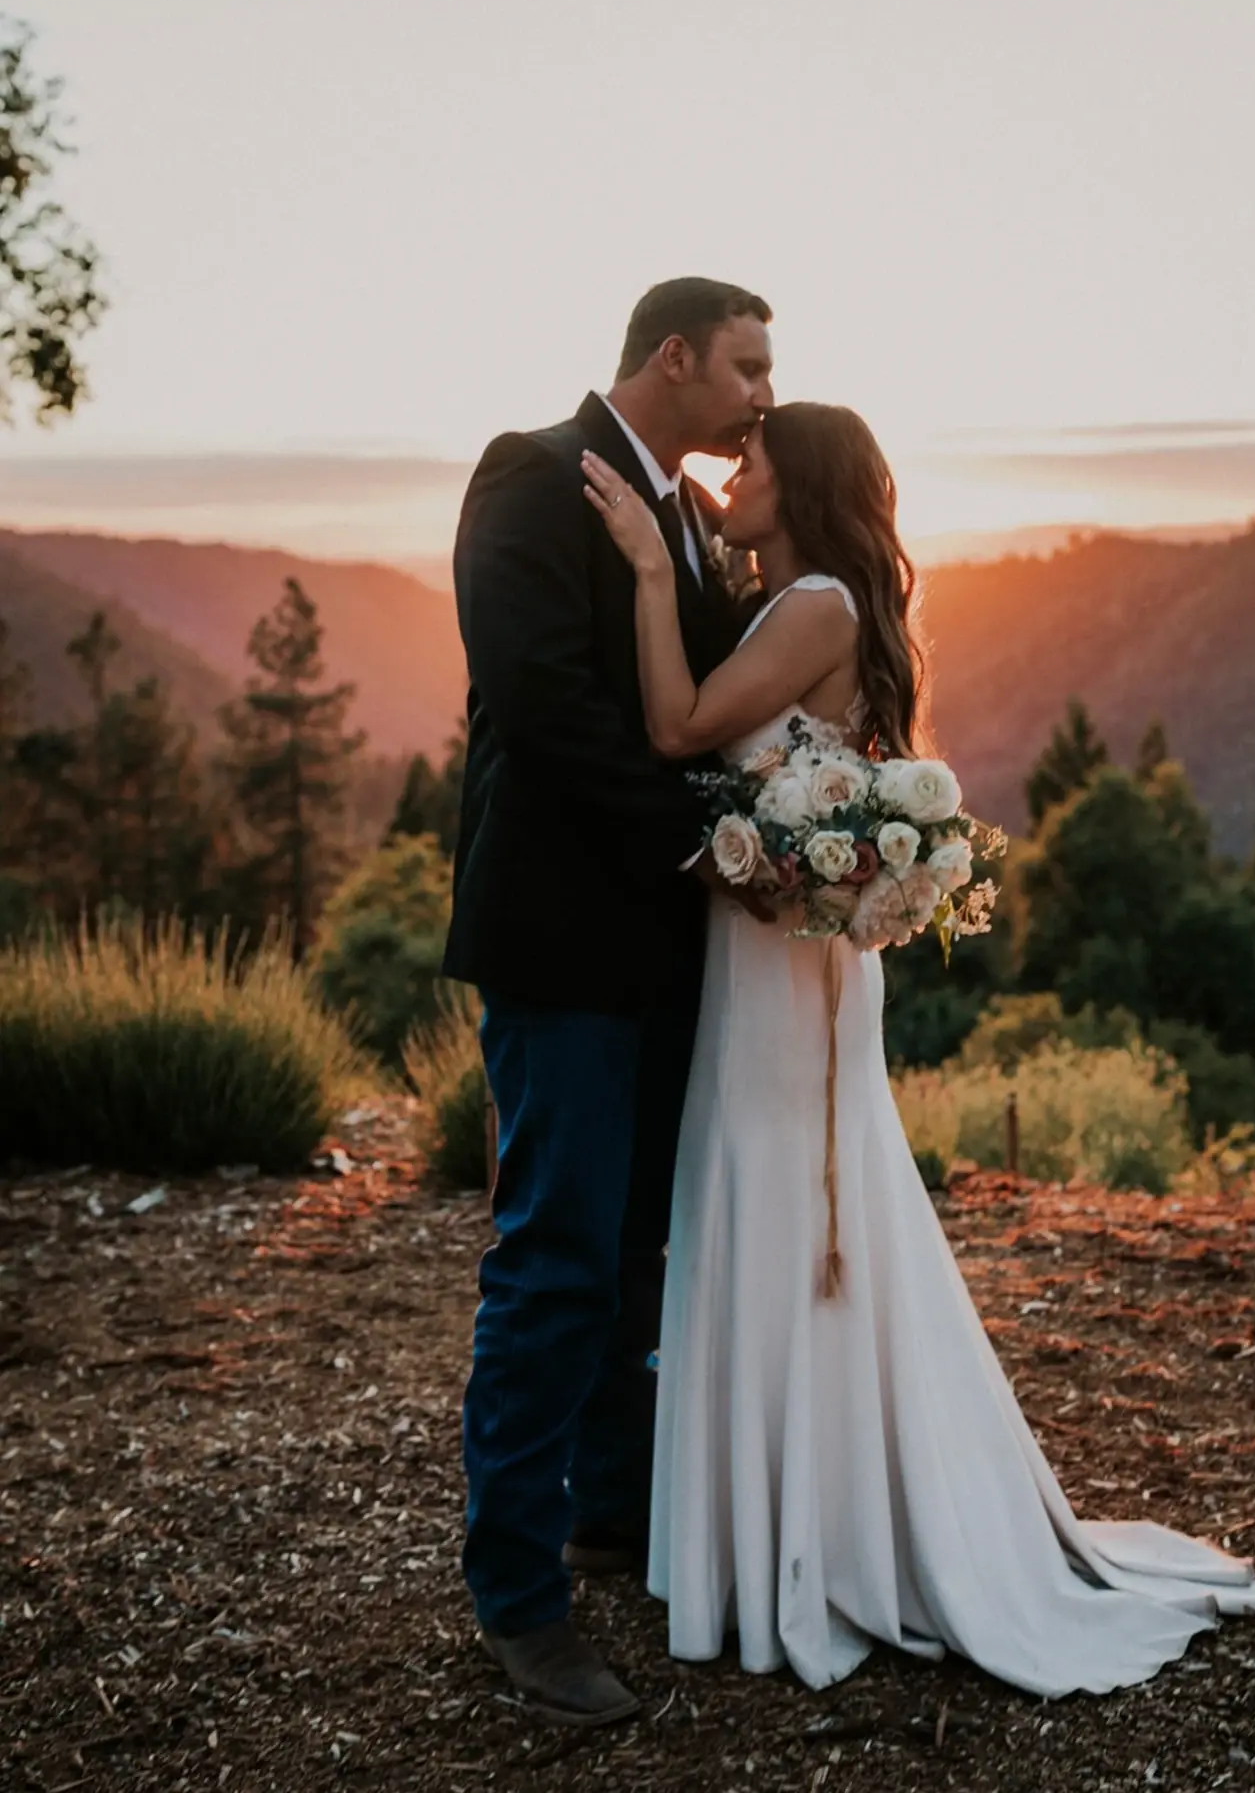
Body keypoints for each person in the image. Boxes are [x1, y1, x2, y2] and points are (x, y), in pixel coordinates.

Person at [580, 402, 1255, 1699]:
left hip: (786, 976)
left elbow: (678, 730)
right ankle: (790, 1524)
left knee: (783, 1198)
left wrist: (637, 571)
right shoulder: (804, 600)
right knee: (771, 1197)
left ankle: (804, 1540)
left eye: (754, 460)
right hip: (779, 957)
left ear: (804, 482)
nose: (734, 475)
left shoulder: (819, 606)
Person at [442, 278, 774, 1725]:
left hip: (671, 951)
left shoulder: (693, 519)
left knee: (641, 1249)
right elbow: (543, 698)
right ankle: (519, 1597)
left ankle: (613, 1512)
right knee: (556, 1257)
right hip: (564, 943)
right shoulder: (530, 471)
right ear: (676, 356)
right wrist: (703, 838)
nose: (765, 393)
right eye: (750, 365)